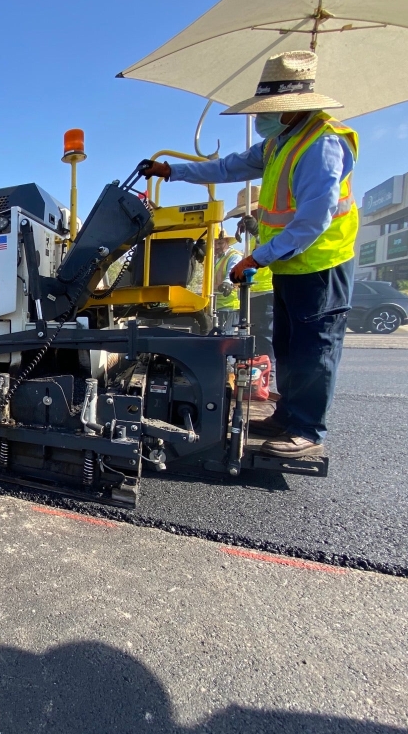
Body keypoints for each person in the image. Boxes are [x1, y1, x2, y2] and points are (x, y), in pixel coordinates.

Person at [143, 50, 358, 458]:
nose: (262, 118)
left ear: (293, 108)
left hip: (322, 263)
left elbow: (313, 221)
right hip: (294, 264)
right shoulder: (280, 142)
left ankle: (308, 430)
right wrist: (173, 172)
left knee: (316, 347)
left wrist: (258, 257)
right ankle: (288, 415)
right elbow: (227, 168)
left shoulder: (322, 146)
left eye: (270, 110)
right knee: (288, 343)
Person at [225, 185, 275, 373]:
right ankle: (255, 371)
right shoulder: (253, 236)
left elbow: (272, 248)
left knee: (264, 336)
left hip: (267, 290)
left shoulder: (268, 229)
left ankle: (266, 373)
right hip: (252, 292)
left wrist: (257, 232)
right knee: (253, 335)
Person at [212, 234, 242, 333]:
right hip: (213, 304)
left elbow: (232, 272)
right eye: (214, 243)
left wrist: (227, 283)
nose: (216, 246)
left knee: (226, 337)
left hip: (229, 305)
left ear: (227, 242)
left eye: (220, 243)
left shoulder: (234, 256)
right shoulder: (213, 257)